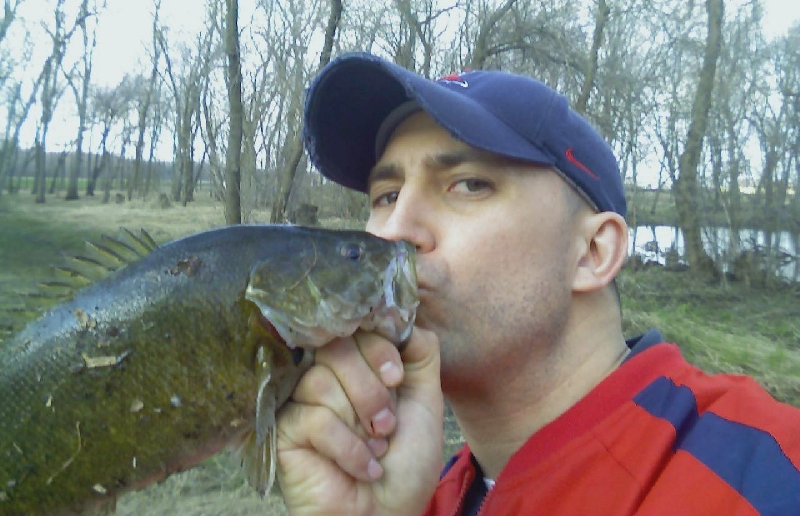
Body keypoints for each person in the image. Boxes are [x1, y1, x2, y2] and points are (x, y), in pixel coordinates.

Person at [274, 52, 800, 515]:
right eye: (385, 196)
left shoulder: (764, 473)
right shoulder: (413, 494)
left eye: (469, 185)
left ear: (593, 253)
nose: (395, 233)